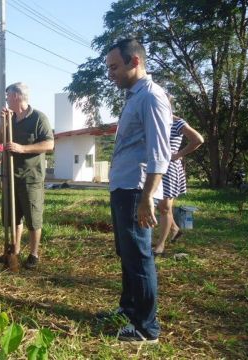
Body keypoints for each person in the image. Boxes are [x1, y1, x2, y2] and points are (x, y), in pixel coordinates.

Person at [102, 38, 171, 344]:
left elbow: (159, 153)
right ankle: (129, 309)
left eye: (114, 67)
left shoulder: (152, 98)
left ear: (135, 62)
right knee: (128, 254)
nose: (110, 74)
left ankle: (146, 328)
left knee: (140, 257)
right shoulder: (133, 97)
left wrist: (147, 199)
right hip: (123, 187)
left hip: (136, 190)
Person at [0, 82, 54, 269]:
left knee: (33, 218)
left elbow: (49, 144)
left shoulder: (38, 118)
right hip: (10, 176)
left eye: (7, 96)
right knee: (13, 217)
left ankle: (34, 254)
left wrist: (23, 148)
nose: (5, 99)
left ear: (17, 96)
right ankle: (15, 250)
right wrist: (3, 122)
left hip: (31, 177)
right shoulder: (9, 118)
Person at [153, 112, 204, 255]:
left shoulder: (177, 122)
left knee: (165, 207)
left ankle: (160, 245)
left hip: (168, 168)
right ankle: (174, 229)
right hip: (154, 166)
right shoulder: (155, 119)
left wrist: (178, 155)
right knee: (159, 204)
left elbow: (198, 139)